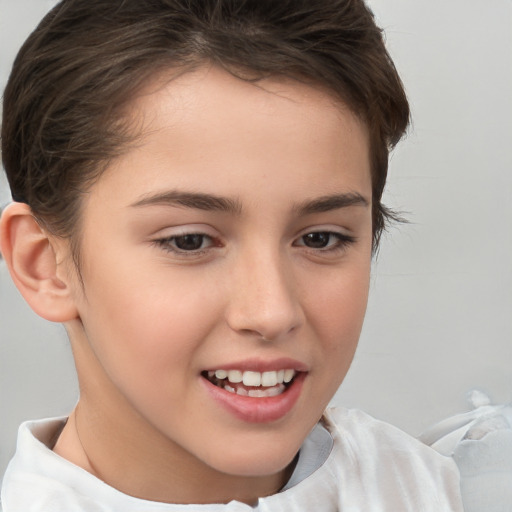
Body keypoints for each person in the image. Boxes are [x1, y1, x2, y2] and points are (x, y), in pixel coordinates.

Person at [0, 0, 463, 510]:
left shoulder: (448, 489)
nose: (272, 312)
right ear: (42, 265)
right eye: (189, 241)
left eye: (320, 238)